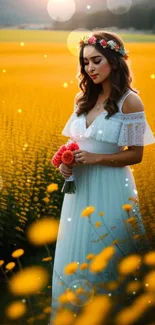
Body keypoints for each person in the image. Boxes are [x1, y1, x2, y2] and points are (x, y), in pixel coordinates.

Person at [50, 29, 155, 321]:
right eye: (85, 63)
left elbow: (136, 154)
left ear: (114, 60)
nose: (90, 68)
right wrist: (66, 162)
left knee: (106, 250)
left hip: (111, 188)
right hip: (79, 189)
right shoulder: (81, 99)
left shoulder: (130, 103)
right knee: (76, 254)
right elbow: (77, 143)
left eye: (96, 60)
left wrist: (97, 158)